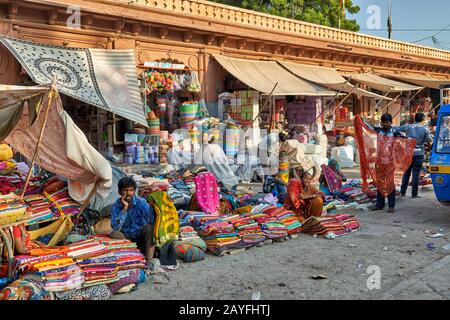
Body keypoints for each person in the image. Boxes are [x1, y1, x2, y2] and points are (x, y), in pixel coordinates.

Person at [110, 177, 156, 267]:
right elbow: (115, 227)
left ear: (134, 191)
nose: (128, 193)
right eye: (125, 190)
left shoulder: (141, 202)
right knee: (114, 234)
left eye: (131, 190)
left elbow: (150, 219)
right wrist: (124, 209)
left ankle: (149, 261)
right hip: (127, 238)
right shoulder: (116, 206)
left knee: (150, 228)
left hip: (140, 237)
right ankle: (131, 255)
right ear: (119, 192)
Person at [397, 112, 434, 198]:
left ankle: (403, 192)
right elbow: (429, 140)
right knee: (416, 174)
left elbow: (396, 130)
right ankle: (414, 194)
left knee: (406, 173)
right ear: (423, 120)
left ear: (415, 119)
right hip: (419, 154)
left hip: (408, 153)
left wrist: (404, 138)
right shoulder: (425, 129)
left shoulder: (407, 126)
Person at [371, 113, 400, 213]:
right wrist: (359, 120)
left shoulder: (395, 132)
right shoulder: (378, 131)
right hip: (379, 161)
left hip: (390, 162)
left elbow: (402, 143)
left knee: (390, 184)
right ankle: (380, 204)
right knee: (380, 183)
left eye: (387, 122)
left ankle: (391, 206)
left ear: (391, 122)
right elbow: (367, 127)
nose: (385, 124)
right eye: (383, 122)